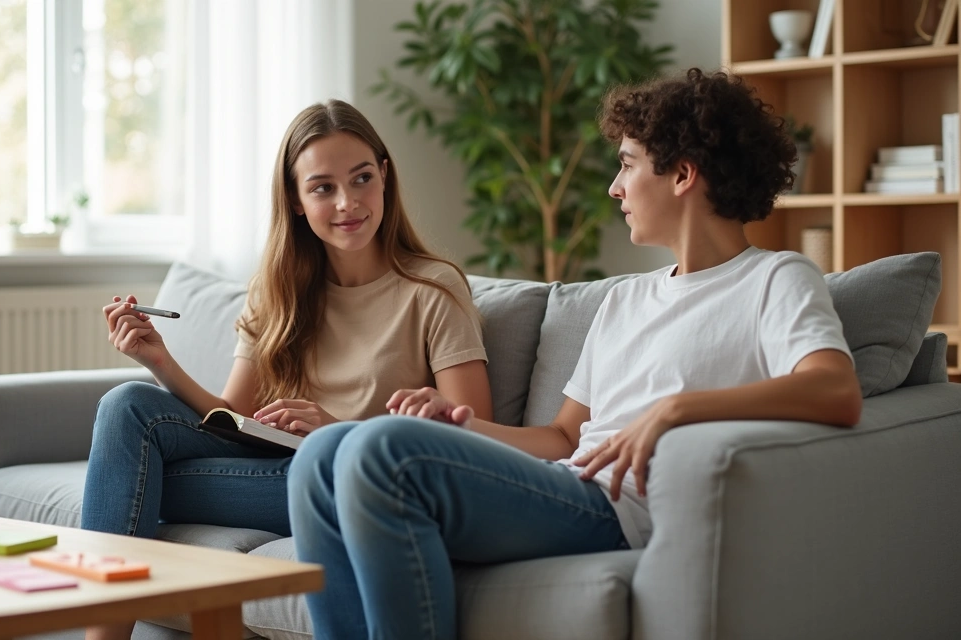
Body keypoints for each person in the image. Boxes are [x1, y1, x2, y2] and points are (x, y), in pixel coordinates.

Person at [287, 68, 864, 640]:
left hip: (619, 509)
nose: (615, 187)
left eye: (628, 164)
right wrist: (457, 428)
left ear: (683, 174)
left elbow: (836, 391)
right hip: (565, 485)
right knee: (321, 457)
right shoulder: (625, 298)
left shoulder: (775, 277)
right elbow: (562, 439)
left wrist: (675, 410)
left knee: (375, 447)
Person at [80, 99, 493, 640]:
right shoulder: (277, 291)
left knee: (128, 479)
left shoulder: (433, 290)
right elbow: (234, 416)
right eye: (322, 187)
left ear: (385, 177)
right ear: (296, 201)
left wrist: (338, 432)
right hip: (268, 462)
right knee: (126, 404)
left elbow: (473, 441)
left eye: (362, 178)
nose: (348, 202)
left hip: (346, 477)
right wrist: (159, 360)